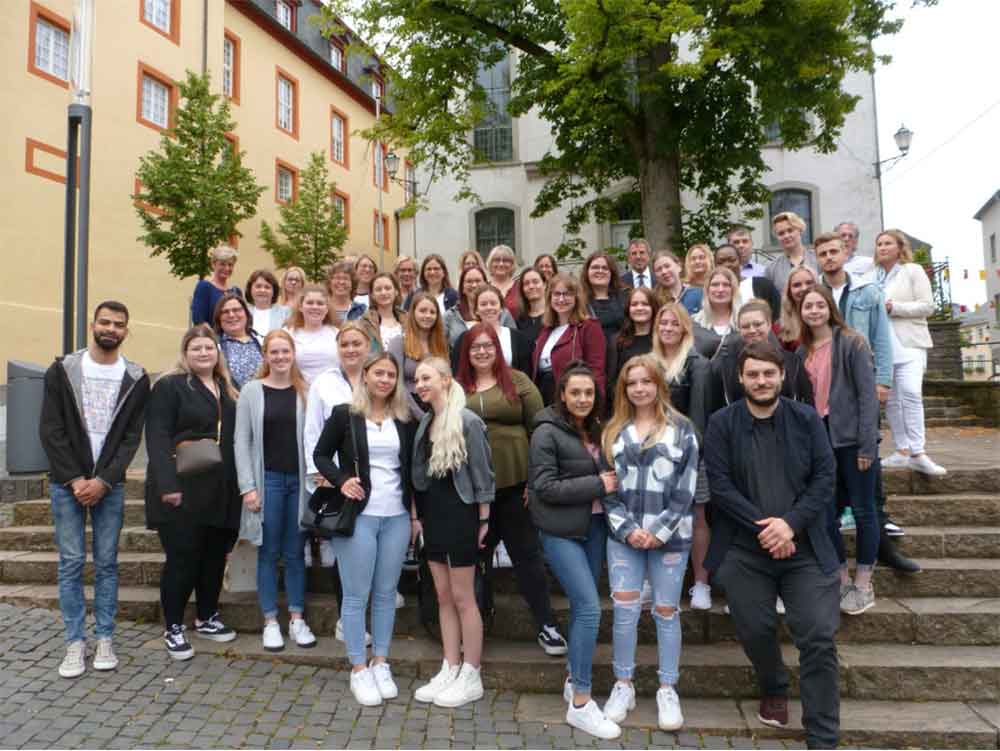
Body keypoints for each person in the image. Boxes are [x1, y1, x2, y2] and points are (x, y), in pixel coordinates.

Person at [704, 341, 840, 750]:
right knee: (754, 625)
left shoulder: (806, 419)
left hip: (806, 548)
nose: (761, 381)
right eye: (752, 374)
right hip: (745, 548)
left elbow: (824, 478)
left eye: (768, 373)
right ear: (740, 379)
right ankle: (774, 685)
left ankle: (822, 734)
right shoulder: (721, 423)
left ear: (782, 375)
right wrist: (767, 529)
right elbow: (720, 485)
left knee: (817, 635)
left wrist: (790, 525)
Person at [39, 301, 150, 678]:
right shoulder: (63, 369)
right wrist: (75, 479)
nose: (111, 328)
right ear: (92, 325)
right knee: (70, 563)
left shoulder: (136, 377)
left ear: (126, 330)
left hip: (110, 484)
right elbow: (51, 430)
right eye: (105, 322)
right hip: (66, 483)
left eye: (119, 324)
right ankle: (74, 642)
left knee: (107, 564)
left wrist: (104, 480)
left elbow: (132, 437)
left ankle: (105, 638)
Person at [600, 354, 699, 731]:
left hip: (670, 539)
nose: (639, 388)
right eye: (632, 383)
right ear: (624, 389)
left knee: (666, 611)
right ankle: (622, 684)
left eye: (646, 381)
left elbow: (686, 489)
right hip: (624, 537)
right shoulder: (613, 431)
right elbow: (607, 488)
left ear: (659, 384)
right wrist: (628, 529)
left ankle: (667, 688)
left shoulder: (682, 429)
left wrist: (659, 530)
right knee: (624, 611)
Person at [456, 324, 568, 656]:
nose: (481, 352)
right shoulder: (458, 387)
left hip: (516, 487)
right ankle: (476, 626)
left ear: (497, 348)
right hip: (473, 493)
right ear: (466, 352)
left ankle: (546, 624)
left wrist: (535, 481)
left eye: (487, 345)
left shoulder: (518, 381)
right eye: (474, 346)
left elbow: (541, 429)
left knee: (527, 557)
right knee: (476, 559)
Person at [314, 352, 416, 706]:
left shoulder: (403, 419)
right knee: (356, 594)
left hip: (397, 516)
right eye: (379, 373)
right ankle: (358, 667)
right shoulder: (346, 414)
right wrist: (341, 480)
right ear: (366, 376)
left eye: (391, 374)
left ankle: (381, 661)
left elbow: (410, 468)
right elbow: (320, 455)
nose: (385, 380)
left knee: (387, 593)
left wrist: (415, 515)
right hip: (358, 516)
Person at [815, 232, 919, 573]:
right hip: (825, 399)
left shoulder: (866, 291)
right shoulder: (814, 294)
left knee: (868, 469)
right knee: (833, 479)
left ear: (845, 253)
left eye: (834, 251)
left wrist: (883, 381)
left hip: (861, 391)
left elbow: (881, 338)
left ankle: (882, 546)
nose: (829, 257)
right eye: (823, 253)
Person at [528, 363, 621, 740]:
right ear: (562, 395)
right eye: (575, 392)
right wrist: (598, 483)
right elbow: (545, 487)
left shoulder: (599, 427)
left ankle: (572, 678)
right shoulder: (546, 432)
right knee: (588, 607)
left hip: (595, 527)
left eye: (589, 392)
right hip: (560, 531)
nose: (583, 399)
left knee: (587, 605)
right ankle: (581, 702)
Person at [145, 324, 242, 660]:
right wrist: (167, 485)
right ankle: (173, 626)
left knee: (214, 559)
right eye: (196, 348)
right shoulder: (170, 386)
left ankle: (207, 616)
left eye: (209, 347)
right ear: (185, 354)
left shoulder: (229, 388)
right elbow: (157, 437)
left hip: (221, 489)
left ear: (218, 353)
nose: (203, 353)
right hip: (182, 488)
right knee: (183, 559)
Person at [411, 357, 495, 708]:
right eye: (416, 380)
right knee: (442, 596)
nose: (419, 385)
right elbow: (418, 475)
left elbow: (483, 472)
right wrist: (417, 517)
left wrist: (484, 520)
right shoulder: (425, 422)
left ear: (445, 380)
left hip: (462, 515)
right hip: (433, 516)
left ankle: (471, 674)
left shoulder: (468, 420)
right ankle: (450, 665)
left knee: (463, 597)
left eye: (426, 378)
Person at [797, 287, 880, 616]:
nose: (814, 310)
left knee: (863, 511)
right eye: (808, 306)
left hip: (851, 439)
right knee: (825, 513)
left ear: (830, 307)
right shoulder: (804, 349)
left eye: (820, 304)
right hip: (820, 440)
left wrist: (867, 443)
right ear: (801, 311)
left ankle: (863, 582)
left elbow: (867, 396)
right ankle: (841, 578)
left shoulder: (852, 341)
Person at [234, 330, 317, 652]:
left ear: (293, 353)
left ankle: (297, 618)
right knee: (268, 552)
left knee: (296, 552)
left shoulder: (304, 391)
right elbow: (242, 441)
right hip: (266, 480)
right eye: (274, 352)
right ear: (266, 355)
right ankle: (270, 621)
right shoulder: (252, 391)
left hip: (298, 483)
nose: (280, 357)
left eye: (285, 351)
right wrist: (247, 487)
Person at [303, 322, 376, 637]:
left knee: (373, 546)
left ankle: (370, 615)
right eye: (345, 344)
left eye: (356, 343)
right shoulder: (324, 383)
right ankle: (348, 620)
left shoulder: (379, 378)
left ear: (367, 346)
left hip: (375, 478)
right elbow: (313, 430)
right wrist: (319, 474)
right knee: (344, 547)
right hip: (337, 477)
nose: (350, 349)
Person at [651, 303, 712, 609]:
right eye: (663, 323)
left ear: (685, 328)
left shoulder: (696, 363)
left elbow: (700, 415)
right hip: (654, 452)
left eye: (675, 324)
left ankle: (700, 584)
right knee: (655, 514)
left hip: (690, 451)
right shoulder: (648, 363)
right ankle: (657, 580)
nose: (668, 329)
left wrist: (691, 451)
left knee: (697, 516)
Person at [875, 229, 947, 476]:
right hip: (883, 348)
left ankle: (918, 452)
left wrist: (894, 307)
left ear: (899, 247)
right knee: (892, 401)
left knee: (911, 394)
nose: (882, 247)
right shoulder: (874, 276)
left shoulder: (912, 271)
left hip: (911, 344)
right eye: (879, 244)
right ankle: (902, 450)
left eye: (887, 243)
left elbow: (928, 306)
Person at [715, 300, 815, 408]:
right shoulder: (727, 365)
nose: (752, 330)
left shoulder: (792, 361)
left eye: (757, 324)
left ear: (769, 324)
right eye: (745, 326)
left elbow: (806, 400)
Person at [532, 273, 607, 405]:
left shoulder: (589, 327)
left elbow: (596, 370)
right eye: (556, 294)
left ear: (576, 298)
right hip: (544, 397)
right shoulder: (545, 330)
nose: (561, 299)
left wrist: (596, 404)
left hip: (573, 399)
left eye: (567, 294)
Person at [451, 286, 533, 374]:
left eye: (493, 303)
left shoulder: (518, 338)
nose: (489, 307)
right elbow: (458, 373)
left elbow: (526, 373)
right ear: (476, 310)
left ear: (501, 308)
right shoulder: (464, 339)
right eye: (483, 304)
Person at [401, 291, 450, 413]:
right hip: (409, 411)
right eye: (422, 311)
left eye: (432, 312)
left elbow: (447, 380)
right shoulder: (399, 343)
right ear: (413, 313)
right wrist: (420, 416)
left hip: (438, 410)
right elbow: (397, 386)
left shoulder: (442, 345)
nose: (428, 315)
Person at [444, 266, 515, 346]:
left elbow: (514, 342)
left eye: (478, 281)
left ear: (486, 284)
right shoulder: (450, 315)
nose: (474, 285)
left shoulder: (503, 313)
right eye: (469, 281)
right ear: (462, 287)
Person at [284, 285, 340, 385]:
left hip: (332, 393)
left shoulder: (337, 334)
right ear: (300, 307)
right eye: (310, 303)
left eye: (320, 303)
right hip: (297, 393)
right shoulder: (288, 334)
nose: (315, 307)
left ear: (327, 309)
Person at [715, 245, 780, 321]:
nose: (727, 265)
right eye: (720, 262)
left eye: (732, 260)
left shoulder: (763, 285)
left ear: (740, 261)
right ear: (715, 265)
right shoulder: (713, 292)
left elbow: (778, 317)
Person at [609, 286, 659, 383]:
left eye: (645, 304)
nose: (639, 308)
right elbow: (612, 380)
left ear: (653, 308)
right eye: (634, 304)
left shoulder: (662, 340)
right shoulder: (616, 342)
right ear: (628, 309)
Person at [213, 293, 263, 390]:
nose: (231, 315)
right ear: (219, 318)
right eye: (225, 312)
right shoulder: (214, 346)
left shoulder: (263, 341)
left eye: (236, 310)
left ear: (246, 314)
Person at [691, 268, 741, 360]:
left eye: (726, 285)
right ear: (707, 290)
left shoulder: (746, 321)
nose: (720, 289)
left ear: (733, 289)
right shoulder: (692, 323)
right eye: (715, 285)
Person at [765, 212, 819, 295]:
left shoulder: (818, 259)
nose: (786, 236)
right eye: (781, 233)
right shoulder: (772, 269)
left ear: (800, 230)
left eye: (790, 230)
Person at [358, 272, 406, 360]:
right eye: (378, 289)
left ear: (396, 292)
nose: (383, 292)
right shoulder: (364, 323)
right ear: (372, 295)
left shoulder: (408, 320)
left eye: (387, 288)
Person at [580, 250, 626, 343]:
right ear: (587, 272)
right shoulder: (579, 301)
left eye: (605, 268)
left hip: (620, 353)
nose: (600, 271)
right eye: (595, 267)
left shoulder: (625, 297)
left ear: (611, 273)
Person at [191, 245, 241, 325]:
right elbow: (198, 320)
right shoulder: (204, 287)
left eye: (230, 265)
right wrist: (214, 337)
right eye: (222, 264)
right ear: (213, 264)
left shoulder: (236, 291)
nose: (227, 268)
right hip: (212, 336)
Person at [777, 265, 819, 352]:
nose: (804, 288)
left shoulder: (829, 318)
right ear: (789, 291)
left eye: (809, 283)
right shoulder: (779, 326)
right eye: (797, 285)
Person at [246, 269, 291, 340]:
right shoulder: (243, 312)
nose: (262, 290)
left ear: (274, 291)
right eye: (258, 286)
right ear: (250, 289)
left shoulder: (285, 312)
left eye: (267, 287)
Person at [485, 244, 520, 315]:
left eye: (506, 260)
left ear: (512, 264)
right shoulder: (483, 288)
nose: (501, 264)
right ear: (490, 263)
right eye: (497, 260)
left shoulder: (520, 288)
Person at [515, 267, 547, 341]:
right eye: (526, 283)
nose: (531, 286)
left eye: (535, 282)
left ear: (545, 284)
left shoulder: (555, 315)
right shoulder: (520, 320)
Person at [681, 244, 713, 314]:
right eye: (693, 259)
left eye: (701, 258)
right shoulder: (682, 286)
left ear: (709, 260)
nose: (697, 261)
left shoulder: (715, 284)